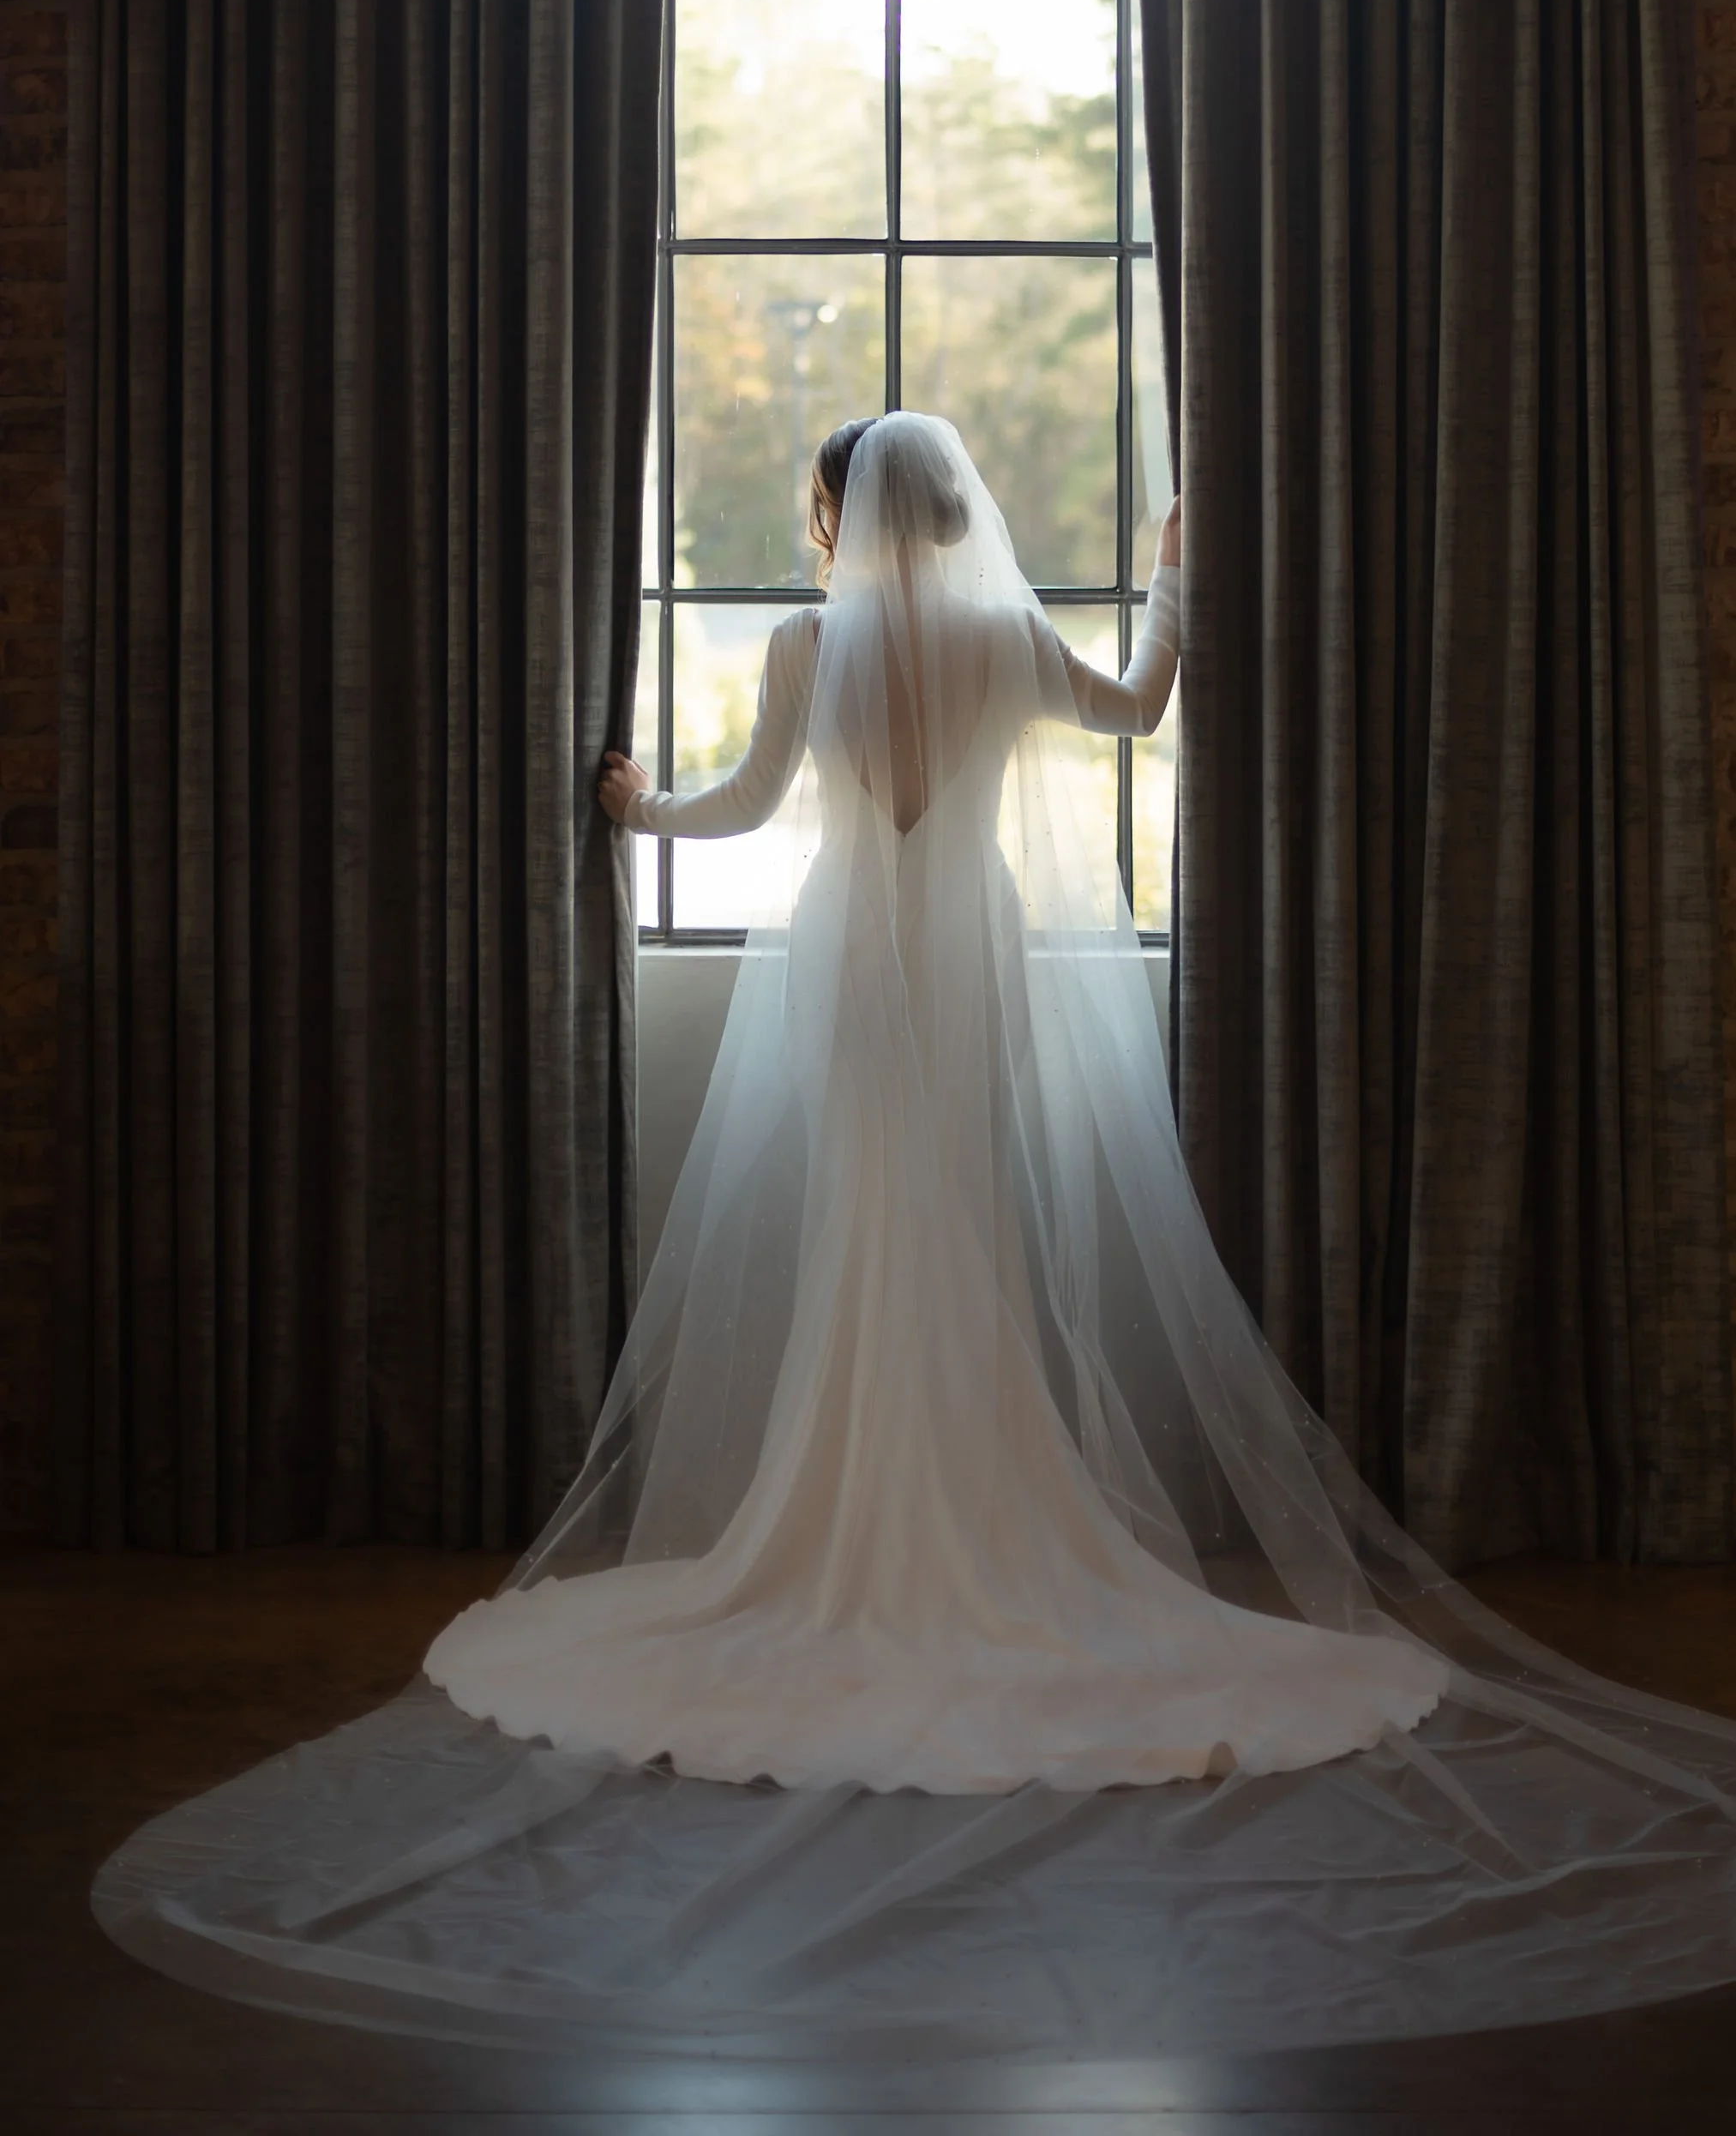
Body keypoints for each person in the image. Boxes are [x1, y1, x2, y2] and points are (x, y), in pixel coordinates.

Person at [92, 413, 1736, 2062]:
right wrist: (1167, 590)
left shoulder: (813, 645)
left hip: (854, 980)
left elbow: (739, 814)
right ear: (961, 516)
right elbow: (1143, 706)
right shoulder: (1009, 637)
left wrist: (630, 807)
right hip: (974, 975)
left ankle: (857, 1518)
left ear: (840, 514)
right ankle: (992, 1510)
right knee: (964, 1235)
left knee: (874, 1240)